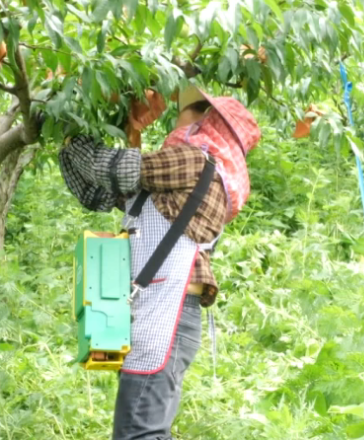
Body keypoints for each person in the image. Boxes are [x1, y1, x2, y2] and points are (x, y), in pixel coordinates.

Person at [58, 85, 260, 440]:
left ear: (203, 121)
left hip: (166, 317)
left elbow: (116, 169)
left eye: (182, 115)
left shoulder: (196, 162)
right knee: (143, 431)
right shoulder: (177, 180)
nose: (173, 125)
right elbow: (95, 191)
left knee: (139, 433)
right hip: (161, 316)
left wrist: (68, 123)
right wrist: (73, 135)